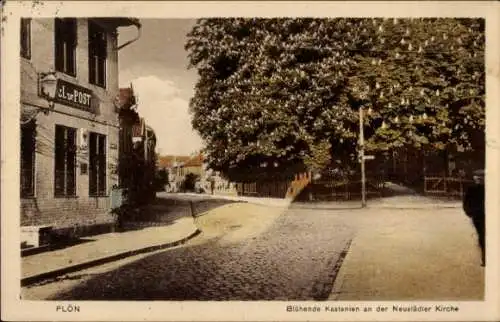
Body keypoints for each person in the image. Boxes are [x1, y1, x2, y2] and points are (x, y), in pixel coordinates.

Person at [463, 169, 485, 266]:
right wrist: (470, 213)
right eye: (478, 178)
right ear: (475, 179)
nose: (480, 180)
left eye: (482, 178)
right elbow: (466, 202)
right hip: (478, 215)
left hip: (490, 215)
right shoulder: (471, 189)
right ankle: (485, 258)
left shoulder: (492, 187)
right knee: (482, 236)